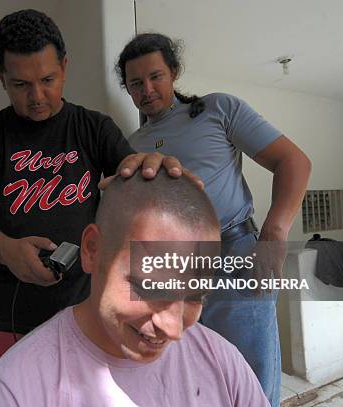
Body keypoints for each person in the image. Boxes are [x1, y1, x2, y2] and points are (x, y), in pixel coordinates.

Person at [0, 11, 188, 397]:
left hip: (87, 312)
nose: (36, 96)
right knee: (0, 394)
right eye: (20, 84)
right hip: (12, 315)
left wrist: (149, 172)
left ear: (64, 67)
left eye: (47, 80)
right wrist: (7, 250)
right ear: (0, 77)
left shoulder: (93, 128)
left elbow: (128, 171)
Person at [115, 33, 312, 407]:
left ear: (173, 72)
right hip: (168, 267)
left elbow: (294, 162)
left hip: (234, 254)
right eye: (136, 83)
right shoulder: (132, 143)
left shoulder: (217, 109)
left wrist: (273, 234)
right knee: (186, 377)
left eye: (156, 76)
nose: (147, 89)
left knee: (250, 377)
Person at [0, 171, 270, 406]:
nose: (174, 330)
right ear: (92, 250)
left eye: (196, 293)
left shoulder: (221, 362)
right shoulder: (18, 387)